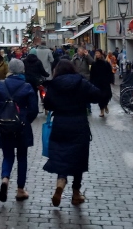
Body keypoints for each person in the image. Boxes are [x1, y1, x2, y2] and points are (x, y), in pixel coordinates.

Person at [42, 61, 109, 207]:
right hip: (79, 125)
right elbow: (97, 95)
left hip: (60, 125)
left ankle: (61, 182)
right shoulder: (81, 83)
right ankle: (76, 193)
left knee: (62, 156)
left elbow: (47, 104)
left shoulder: (54, 85)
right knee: (78, 158)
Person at [0, 59, 39, 202]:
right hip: (21, 126)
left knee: (7, 156)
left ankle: (5, 179)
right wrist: (26, 120)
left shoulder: (1, 85)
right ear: (22, 70)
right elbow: (34, 109)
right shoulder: (27, 86)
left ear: (10, 70)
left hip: (5, 126)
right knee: (22, 157)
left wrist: (0, 118)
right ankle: (20, 190)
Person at [88, 50, 114, 118]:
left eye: (98, 53)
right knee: (100, 97)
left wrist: (110, 80)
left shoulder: (106, 63)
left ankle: (105, 105)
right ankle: (102, 111)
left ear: (101, 54)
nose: (97, 54)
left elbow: (110, 72)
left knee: (106, 96)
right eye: (96, 53)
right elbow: (92, 74)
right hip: (97, 83)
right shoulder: (94, 64)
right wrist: (91, 82)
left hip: (105, 83)